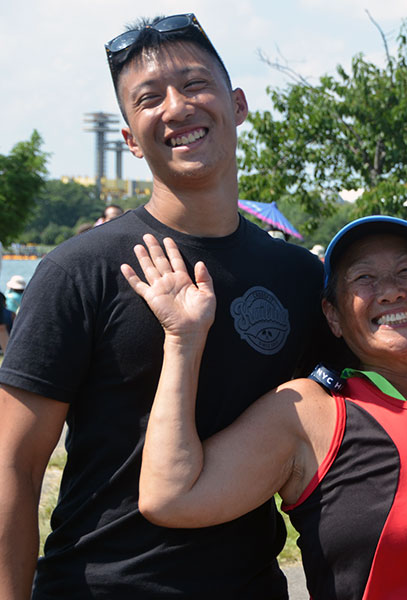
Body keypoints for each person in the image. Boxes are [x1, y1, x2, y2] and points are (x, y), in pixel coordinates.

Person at [0, 13, 333, 598]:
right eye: (149, 98)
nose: (177, 107)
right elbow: (15, 466)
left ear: (238, 104)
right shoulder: (80, 270)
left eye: (195, 84)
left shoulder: (300, 276)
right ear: (130, 138)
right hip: (98, 585)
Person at [122, 216, 407, 599]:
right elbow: (172, 497)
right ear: (333, 316)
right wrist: (184, 342)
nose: (391, 290)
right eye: (364, 278)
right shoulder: (312, 412)